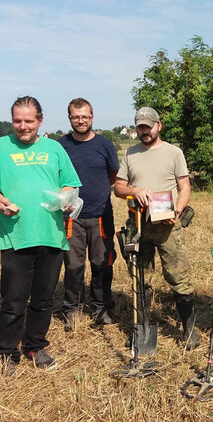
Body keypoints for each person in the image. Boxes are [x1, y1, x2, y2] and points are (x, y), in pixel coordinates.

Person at [0, 96, 81, 376]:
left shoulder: (55, 148)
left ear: (40, 121)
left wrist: (66, 197)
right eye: (17, 120)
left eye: (29, 121)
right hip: (16, 236)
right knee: (13, 299)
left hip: (51, 235)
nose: (22, 126)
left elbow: (70, 182)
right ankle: (6, 352)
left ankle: (35, 346)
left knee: (43, 299)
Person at [113, 106, 200, 351]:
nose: (144, 131)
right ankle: (143, 330)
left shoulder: (174, 152)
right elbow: (119, 187)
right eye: (140, 127)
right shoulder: (130, 153)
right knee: (140, 279)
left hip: (168, 226)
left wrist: (177, 211)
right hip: (139, 225)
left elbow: (184, 188)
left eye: (148, 126)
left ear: (158, 125)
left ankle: (189, 330)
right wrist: (134, 191)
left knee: (179, 277)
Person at [58, 98, 119, 331]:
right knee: (73, 265)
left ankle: (100, 307)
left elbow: (113, 174)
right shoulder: (60, 145)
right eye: (76, 116)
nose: (80, 120)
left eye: (85, 116)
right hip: (71, 216)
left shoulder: (105, 145)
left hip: (101, 214)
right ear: (70, 118)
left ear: (92, 118)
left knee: (102, 263)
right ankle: (71, 308)